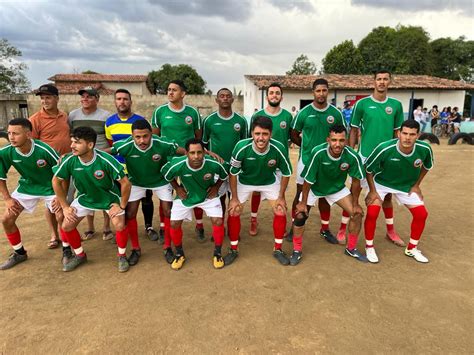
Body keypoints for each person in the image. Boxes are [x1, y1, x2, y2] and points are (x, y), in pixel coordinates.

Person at [52, 127, 132, 272]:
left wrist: (121, 205)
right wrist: (65, 206)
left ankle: (122, 256)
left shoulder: (105, 159)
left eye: (77, 143)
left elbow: (125, 182)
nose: (72, 146)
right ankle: (80, 255)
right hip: (85, 198)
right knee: (66, 226)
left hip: (108, 198)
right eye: (72, 142)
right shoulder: (70, 160)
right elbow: (56, 181)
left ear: (90, 145)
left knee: (119, 225)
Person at [111, 119, 185, 266]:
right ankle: (136, 249)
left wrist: (204, 153)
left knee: (168, 211)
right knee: (130, 213)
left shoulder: (163, 144)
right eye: (137, 137)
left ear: (152, 134)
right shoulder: (125, 145)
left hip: (161, 181)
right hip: (137, 182)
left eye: (145, 136)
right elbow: (107, 152)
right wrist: (86, 152)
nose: (142, 140)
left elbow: (182, 150)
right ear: (132, 136)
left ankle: (167, 247)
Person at [345, 69, 405, 247]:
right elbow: (354, 130)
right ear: (373, 82)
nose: (382, 82)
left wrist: (396, 155)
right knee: (353, 193)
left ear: (390, 82)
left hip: (385, 158)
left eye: (385, 79)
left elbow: (397, 133)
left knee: (387, 196)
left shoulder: (396, 105)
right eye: (379, 79)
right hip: (364, 156)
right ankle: (343, 228)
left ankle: (391, 231)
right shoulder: (362, 104)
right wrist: (352, 153)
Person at [292, 124, 367, 265]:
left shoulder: (352, 156)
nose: (337, 144)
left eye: (341, 140)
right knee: (300, 215)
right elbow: (308, 180)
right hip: (315, 187)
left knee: (357, 214)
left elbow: (356, 181)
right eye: (334, 140)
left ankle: (351, 248)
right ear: (328, 140)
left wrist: (356, 204)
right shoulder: (318, 152)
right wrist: (303, 203)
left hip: (336, 188)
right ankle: (296, 250)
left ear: (346, 141)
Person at [225, 116, 293, 266]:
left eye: (265, 134)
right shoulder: (241, 147)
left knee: (280, 209)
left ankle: (278, 249)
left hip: (268, 182)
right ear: (251, 134)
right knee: (234, 210)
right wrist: (234, 197)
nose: (260, 138)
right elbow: (233, 173)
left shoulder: (278, 148)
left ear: (271, 134)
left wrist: (281, 197)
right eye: (257, 134)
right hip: (245, 181)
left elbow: (287, 173)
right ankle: (233, 249)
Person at [364, 120, 434, 263]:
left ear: (418, 135)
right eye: (405, 133)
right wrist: (372, 191)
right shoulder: (384, 148)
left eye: (412, 134)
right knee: (372, 212)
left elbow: (427, 166)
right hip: (381, 183)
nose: (408, 138)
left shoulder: (425, 149)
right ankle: (369, 246)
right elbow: (368, 169)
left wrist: (416, 185)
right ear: (398, 133)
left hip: (406, 185)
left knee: (421, 214)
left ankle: (412, 249)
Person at [0, 118, 63, 269]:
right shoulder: (6, 152)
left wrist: (61, 198)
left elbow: (62, 173)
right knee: (7, 219)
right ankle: (19, 253)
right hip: (28, 187)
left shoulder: (45, 149)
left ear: (28, 134)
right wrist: (8, 198)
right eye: (9, 133)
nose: (11, 137)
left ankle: (67, 251)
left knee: (62, 216)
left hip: (51, 187)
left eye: (16, 133)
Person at [290, 78, 347, 244]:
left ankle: (325, 228)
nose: (321, 94)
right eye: (318, 91)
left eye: (324, 90)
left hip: (328, 162)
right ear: (313, 92)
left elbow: (342, 134)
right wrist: (306, 146)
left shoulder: (335, 113)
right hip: (307, 160)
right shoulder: (304, 112)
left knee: (324, 195)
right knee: (300, 194)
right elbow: (294, 133)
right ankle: (294, 226)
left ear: (327, 91)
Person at [151, 80, 206, 242]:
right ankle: (163, 227)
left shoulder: (192, 113)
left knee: (195, 191)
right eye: (168, 90)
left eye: (174, 90)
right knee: (166, 196)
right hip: (167, 161)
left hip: (189, 161)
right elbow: (155, 137)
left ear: (183, 93)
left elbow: (198, 136)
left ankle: (200, 225)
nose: (170, 93)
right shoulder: (160, 112)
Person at [161, 138, 228, 270]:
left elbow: (224, 174)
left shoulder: (213, 163)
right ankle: (179, 254)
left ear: (204, 152)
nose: (196, 156)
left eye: (199, 152)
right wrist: (177, 188)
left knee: (218, 221)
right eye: (192, 153)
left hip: (208, 196)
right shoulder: (177, 164)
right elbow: (167, 176)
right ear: (186, 153)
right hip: (186, 195)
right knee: (174, 223)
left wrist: (216, 187)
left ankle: (217, 253)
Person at [105, 89, 159, 241]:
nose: (122, 102)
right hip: (120, 169)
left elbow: (146, 143)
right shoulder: (109, 122)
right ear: (115, 101)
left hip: (140, 167)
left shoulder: (140, 121)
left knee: (146, 198)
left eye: (125, 99)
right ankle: (125, 229)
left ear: (131, 101)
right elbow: (112, 145)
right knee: (124, 200)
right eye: (119, 99)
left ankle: (148, 226)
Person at [69, 86, 113, 241]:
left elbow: (109, 138)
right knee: (85, 191)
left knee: (103, 190)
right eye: (83, 96)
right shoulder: (73, 115)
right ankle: (90, 227)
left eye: (89, 96)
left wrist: (104, 153)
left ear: (97, 99)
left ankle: (107, 227)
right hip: (82, 160)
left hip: (100, 160)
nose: (85, 99)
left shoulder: (106, 116)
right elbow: (72, 137)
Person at [29, 83, 70, 249]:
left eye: (48, 97)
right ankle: (55, 235)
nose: (45, 101)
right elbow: (33, 146)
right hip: (49, 168)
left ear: (57, 98)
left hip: (67, 165)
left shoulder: (64, 116)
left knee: (64, 200)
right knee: (51, 203)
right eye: (42, 98)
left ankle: (66, 232)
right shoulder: (35, 120)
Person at [248, 83, 292, 236]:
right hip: (260, 161)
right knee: (256, 192)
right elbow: (251, 139)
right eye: (271, 93)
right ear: (267, 96)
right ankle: (253, 220)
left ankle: (280, 221)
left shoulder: (287, 116)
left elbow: (289, 138)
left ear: (281, 96)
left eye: (277, 93)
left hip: (279, 163)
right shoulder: (257, 116)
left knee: (281, 193)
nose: (274, 95)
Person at [202, 88, 247, 223]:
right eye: (222, 96)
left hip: (236, 167)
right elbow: (203, 145)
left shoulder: (241, 121)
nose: (225, 98)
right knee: (218, 198)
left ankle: (232, 227)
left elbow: (245, 144)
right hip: (217, 167)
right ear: (217, 100)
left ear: (232, 99)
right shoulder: (209, 120)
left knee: (234, 197)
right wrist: (210, 154)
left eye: (228, 96)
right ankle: (220, 227)